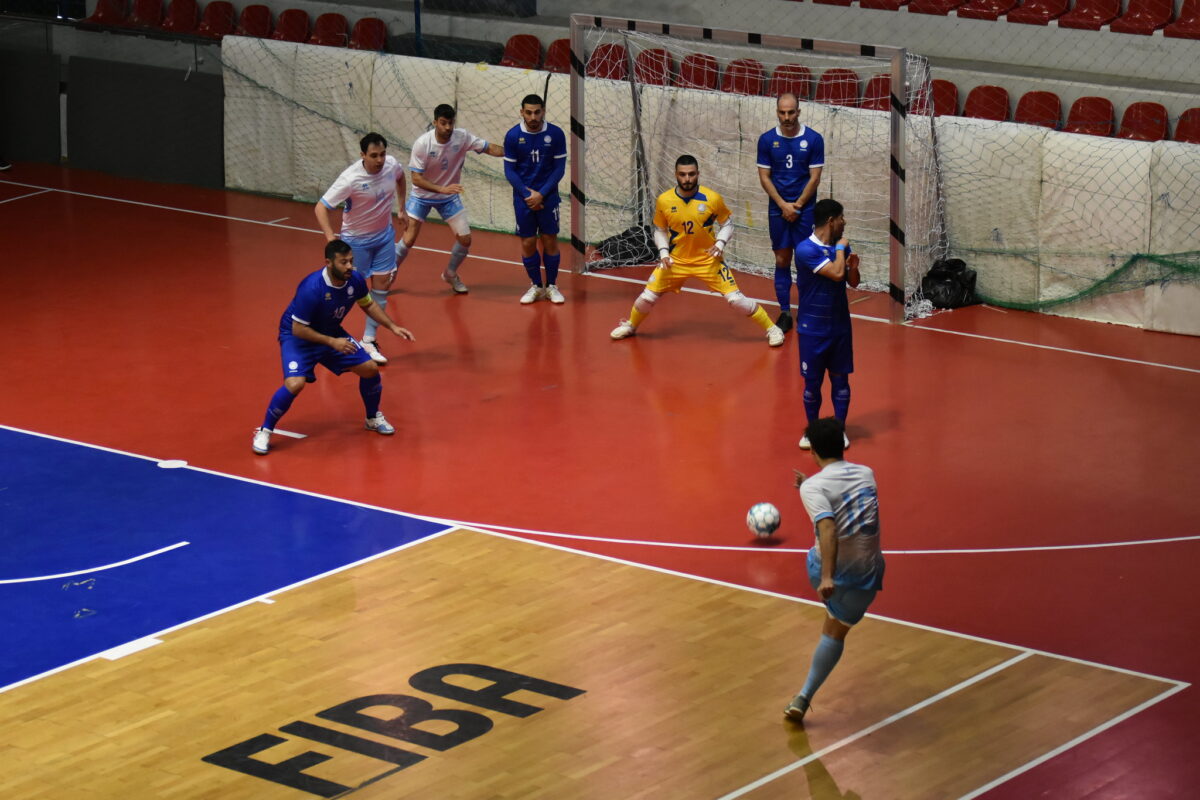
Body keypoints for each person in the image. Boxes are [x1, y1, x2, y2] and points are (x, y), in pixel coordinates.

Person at [252, 240, 415, 456]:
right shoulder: (312, 288)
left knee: (369, 369)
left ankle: (372, 417)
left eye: (351, 261)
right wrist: (332, 342)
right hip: (298, 336)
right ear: (328, 263)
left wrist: (392, 326)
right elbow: (298, 329)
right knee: (295, 384)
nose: (349, 266)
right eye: (343, 262)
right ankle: (265, 431)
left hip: (330, 331)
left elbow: (368, 304)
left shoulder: (355, 280)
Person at [610, 154, 784, 347]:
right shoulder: (664, 200)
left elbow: (727, 224)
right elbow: (660, 230)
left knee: (736, 300)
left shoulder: (712, 198)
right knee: (646, 298)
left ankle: (772, 329)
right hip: (675, 262)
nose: (687, 179)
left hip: (708, 261)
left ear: (698, 174)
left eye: (691, 174)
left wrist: (720, 243)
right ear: (676, 174)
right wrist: (664, 253)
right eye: (683, 174)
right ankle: (631, 325)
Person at [784, 417, 884, 722]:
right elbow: (845, 495)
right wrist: (810, 487)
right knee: (835, 632)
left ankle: (802, 698)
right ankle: (803, 696)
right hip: (867, 576)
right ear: (843, 445)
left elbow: (828, 526)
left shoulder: (813, 487)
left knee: (817, 548)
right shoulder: (867, 473)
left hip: (826, 573)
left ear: (813, 451)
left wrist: (827, 576)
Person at [314, 132, 409, 365]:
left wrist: (402, 207)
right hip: (356, 242)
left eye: (383, 154)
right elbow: (321, 207)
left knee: (382, 286)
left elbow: (401, 177)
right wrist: (331, 239)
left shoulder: (391, 165)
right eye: (374, 155)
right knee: (346, 291)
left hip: (384, 237)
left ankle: (369, 339)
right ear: (362, 155)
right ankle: (327, 337)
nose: (380, 160)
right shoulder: (350, 179)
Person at [405, 103, 505, 295]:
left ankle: (450, 274)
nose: (448, 127)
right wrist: (441, 189)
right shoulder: (422, 144)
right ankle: (388, 274)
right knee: (408, 240)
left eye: (451, 123)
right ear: (435, 122)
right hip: (422, 196)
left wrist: (512, 151)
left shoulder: (462, 137)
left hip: (448, 197)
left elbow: (488, 148)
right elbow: (416, 179)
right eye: (443, 123)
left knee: (465, 239)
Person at [794, 198, 858, 450]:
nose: (845, 222)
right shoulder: (805, 250)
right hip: (812, 330)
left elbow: (851, 280)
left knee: (841, 381)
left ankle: (839, 431)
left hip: (840, 328)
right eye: (841, 218)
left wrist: (854, 267)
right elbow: (836, 273)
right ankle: (812, 432)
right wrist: (841, 250)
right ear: (831, 221)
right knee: (812, 384)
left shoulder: (839, 247)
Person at [758, 93, 824, 334]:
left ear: (798, 112)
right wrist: (783, 205)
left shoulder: (814, 139)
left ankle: (806, 311)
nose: (787, 117)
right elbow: (764, 177)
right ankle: (785, 312)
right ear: (777, 112)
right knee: (782, 259)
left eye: (791, 112)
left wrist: (797, 205)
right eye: (782, 112)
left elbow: (815, 178)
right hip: (778, 210)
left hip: (805, 210)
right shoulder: (766, 140)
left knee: (805, 261)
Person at [503, 94, 568, 304]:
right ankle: (536, 286)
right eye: (529, 112)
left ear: (543, 111)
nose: (533, 117)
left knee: (550, 240)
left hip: (548, 198)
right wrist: (527, 194)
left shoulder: (556, 134)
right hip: (524, 200)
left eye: (537, 112)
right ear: (521, 112)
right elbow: (509, 171)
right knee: (529, 242)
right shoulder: (513, 136)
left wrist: (541, 194)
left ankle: (552, 286)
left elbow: (559, 169)